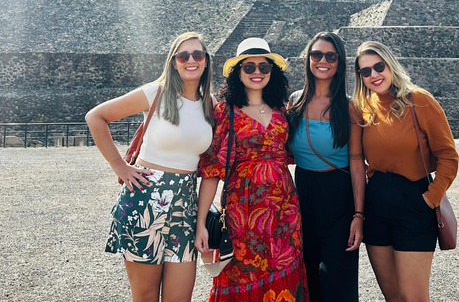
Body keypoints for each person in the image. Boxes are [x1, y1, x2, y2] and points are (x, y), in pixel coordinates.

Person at [86, 31, 216, 302]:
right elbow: (96, 117)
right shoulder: (155, 92)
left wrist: (202, 220)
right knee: (145, 296)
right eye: (183, 55)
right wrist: (121, 168)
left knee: (180, 297)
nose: (190, 60)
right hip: (145, 199)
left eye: (197, 54)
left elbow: (210, 168)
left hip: (185, 206)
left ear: (205, 61)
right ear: (173, 62)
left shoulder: (210, 104)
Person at [195, 37, 308, 301]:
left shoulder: (282, 111)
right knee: (242, 273)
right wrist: (201, 222)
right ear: (238, 72)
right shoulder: (226, 112)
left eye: (263, 67)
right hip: (242, 211)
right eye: (249, 67)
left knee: (283, 269)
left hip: (284, 209)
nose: (257, 72)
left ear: (272, 72)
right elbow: (212, 170)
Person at [351, 41, 459, 302]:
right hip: (376, 207)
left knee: (415, 298)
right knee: (393, 297)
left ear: (391, 66)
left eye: (379, 66)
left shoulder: (419, 100)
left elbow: (448, 156)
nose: (374, 75)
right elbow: (356, 158)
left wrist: (430, 198)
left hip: (414, 205)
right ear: (360, 77)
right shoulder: (362, 108)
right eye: (366, 71)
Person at [286, 32, 365, 302]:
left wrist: (358, 214)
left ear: (340, 62)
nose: (323, 61)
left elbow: (356, 162)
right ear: (308, 59)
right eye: (316, 54)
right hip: (302, 192)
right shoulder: (295, 102)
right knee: (305, 274)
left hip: (338, 194)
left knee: (337, 279)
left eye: (331, 56)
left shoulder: (349, 107)